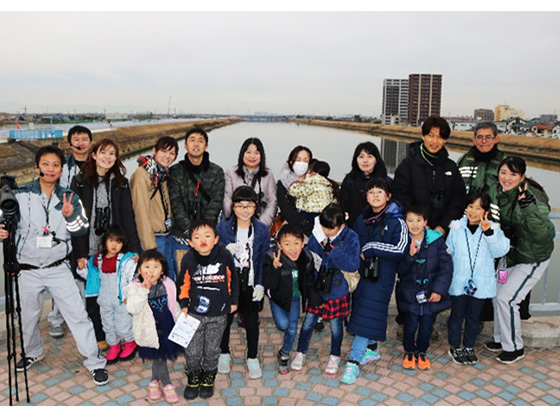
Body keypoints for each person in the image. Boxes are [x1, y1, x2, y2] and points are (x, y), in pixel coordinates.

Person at [0, 145, 108, 385]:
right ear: (36, 167)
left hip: (58, 268)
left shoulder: (70, 197)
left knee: (78, 315)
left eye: (55, 165)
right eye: (45, 164)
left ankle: (94, 362)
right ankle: (32, 352)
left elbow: (81, 229)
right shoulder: (19, 195)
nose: (50, 169)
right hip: (27, 269)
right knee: (26, 317)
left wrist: (70, 216)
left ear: (61, 169)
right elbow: (4, 223)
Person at [70, 138, 141, 350]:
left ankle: (122, 334)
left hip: (114, 248)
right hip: (90, 247)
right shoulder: (80, 181)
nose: (107, 157)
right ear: (93, 155)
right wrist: (80, 253)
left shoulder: (120, 183)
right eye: (103, 152)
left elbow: (128, 217)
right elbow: (74, 219)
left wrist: (134, 250)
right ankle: (100, 335)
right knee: (93, 293)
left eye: (112, 153)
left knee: (116, 294)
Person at [485, 157, 555, 364]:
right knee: (497, 294)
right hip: (509, 258)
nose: (507, 178)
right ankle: (500, 338)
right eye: (504, 172)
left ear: (522, 177)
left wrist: (529, 208)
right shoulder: (498, 192)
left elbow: (544, 234)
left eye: (513, 174)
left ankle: (514, 347)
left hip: (531, 258)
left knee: (507, 299)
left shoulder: (533, 196)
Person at [341, 177, 408, 384]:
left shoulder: (396, 220)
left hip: (382, 277)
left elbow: (400, 249)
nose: (375, 195)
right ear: (366, 196)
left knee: (364, 317)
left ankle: (353, 361)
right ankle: (372, 348)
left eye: (380, 191)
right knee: (364, 313)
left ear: (388, 196)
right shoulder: (362, 218)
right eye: (371, 192)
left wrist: (371, 248)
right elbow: (352, 243)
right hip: (362, 276)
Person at [291, 203, 360, 375]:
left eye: (331, 228)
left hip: (338, 288)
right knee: (308, 322)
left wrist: (332, 250)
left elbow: (353, 265)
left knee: (336, 326)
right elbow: (308, 258)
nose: (327, 231)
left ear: (341, 225)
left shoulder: (351, 237)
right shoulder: (317, 235)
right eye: (324, 227)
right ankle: (300, 352)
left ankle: (335, 355)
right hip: (318, 286)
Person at [177, 219, 239, 400]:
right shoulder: (188, 258)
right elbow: (183, 283)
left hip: (218, 314)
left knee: (212, 349)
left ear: (216, 239)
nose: (202, 240)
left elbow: (233, 279)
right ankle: (193, 378)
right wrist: (184, 304)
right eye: (197, 237)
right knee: (192, 351)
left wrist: (233, 301)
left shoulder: (224, 255)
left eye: (207, 236)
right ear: (190, 242)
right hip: (194, 314)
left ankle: (208, 378)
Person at [446, 192, 509, 365]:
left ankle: (469, 346)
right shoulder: (456, 227)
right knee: (457, 315)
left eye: (478, 208)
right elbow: (448, 252)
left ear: (486, 211)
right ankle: (454, 346)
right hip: (459, 280)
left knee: (474, 318)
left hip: (480, 283)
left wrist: (488, 232)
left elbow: (501, 251)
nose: (473, 211)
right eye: (470, 206)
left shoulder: (493, 229)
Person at [217, 186, 270, 379]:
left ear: (256, 207)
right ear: (233, 206)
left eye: (249, 206)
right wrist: (225, 250)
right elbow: (214, 253)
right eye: (240, 206)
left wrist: (261, 284)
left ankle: (252, 357)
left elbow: (264, 259)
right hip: (229, 283)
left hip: (250, 282)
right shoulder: (223, 227)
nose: (244, 210)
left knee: (251, 321)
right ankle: (224, 353)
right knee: (225, 320)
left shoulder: (261, 229)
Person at [49, 124, 94, 339]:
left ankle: (84, 316)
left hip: (88, 227)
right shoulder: (62, 166)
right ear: (70, 143)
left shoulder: (97, 164)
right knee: (60, 272)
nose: (80, 143)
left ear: (91, 142)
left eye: (84, 139)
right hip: (62, 226)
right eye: (76, 139)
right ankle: (56, 318)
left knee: (85, 271)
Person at [396, 202, 453, 370]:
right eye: (410, 220)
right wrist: (410, 256)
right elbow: (400, 269)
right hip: (409, 294)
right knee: (410, 325)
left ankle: (422, 352)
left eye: (419, 220)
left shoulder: (436, 240)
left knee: (427, 326)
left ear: (425, 222)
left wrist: (438, 290)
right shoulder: (402, 240)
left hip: (431, 293)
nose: (415, 225)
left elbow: (446, 268)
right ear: (405, 222)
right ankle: (409, 351)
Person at [391, 116, 466, 236]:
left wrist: (443, 226)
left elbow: (458, 200)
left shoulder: (451, 167)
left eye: (440, 137)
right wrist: (418, 223)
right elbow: (400, 196)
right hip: (413, 232)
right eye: (431, 135)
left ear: (445, 140)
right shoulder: (407, 165)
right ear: (423, 136)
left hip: (443, 234)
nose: (435, 141)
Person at [126, 249, 183, 404]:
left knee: (160, 356)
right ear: (139, 270)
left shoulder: (168, 284)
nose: (151, 271)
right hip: (149, 328)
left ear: (162, 270)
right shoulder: (134, 287)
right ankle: (168, 384)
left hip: (166, 325)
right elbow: (132, 308)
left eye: (156, 267)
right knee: (159, 358)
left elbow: (173, 305)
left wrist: (180, 321)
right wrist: (143, 290)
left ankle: (153, 382)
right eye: (147, 266)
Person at [169, 127, 225, 278]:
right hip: (181, 236)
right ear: (185, 145)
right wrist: (189, 230)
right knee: (183, 279)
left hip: (207, 237)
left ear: (206, 146)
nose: (196, 144)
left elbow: (216, 202)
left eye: (200, 141)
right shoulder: (175, 171)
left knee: (206, 279)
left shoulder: (216, 172)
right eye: (192, 140)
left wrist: (202, 232)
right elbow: (175, 202)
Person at [77, 226, 139, 364]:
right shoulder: (98, 259)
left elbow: (132, 278)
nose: (114, 245)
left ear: (123, 244)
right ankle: (114, 346)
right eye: (111, 240)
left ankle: (130, 343)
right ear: (105, 241)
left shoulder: (126, 260)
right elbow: (92, 278)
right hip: (104, 300)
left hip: (121, 300)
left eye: (118, 241)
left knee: (123, 324)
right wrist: (82, 269)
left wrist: (130, 294)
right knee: (108, 325)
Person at [262, 224, 316, 375]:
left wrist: (313, 299)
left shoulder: (307, 258)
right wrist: (275, 268)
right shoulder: (272, 257)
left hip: (294, 298)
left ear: (303, 243)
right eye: (287, 244)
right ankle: (285, 351)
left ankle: (284, 354)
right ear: (279, 245)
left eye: (296, 243)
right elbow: (268, 283)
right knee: (283, 324)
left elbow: (309, 280)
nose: (292, 248)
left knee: (292, 328)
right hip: (278, 298)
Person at [130, 136, 179, 280]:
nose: (167, 156)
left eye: (172, 153)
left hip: (166, 236)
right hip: (153, 238)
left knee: (168, 280)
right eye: (164, 151)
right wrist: (150, 248)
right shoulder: (142, 175)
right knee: (154, 282)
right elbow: (140, 212)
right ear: (154, 151)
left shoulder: (161, 173)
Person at [223, 137, 278, 229]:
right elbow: (226, 199)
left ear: (261, 156)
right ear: (242, 154)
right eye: (248, 152)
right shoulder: (231, 173)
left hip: (261, 225)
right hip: (235, 225)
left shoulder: (268, 174)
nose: (252, 156)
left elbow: (272, 202)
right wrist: (239, 221)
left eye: (256, 153)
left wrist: (260, 224)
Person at [339, 141, 391, 229]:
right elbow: (343, 205)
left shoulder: (386, 181)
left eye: (370, 157)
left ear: (376, 160)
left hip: (379, 229)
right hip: (352, 228)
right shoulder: (350, 180)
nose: (365, 161)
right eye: (361, 157)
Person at [276, 145, 314, 238]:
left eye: (305, 160)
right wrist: (303, 223)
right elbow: (286, 209)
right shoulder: (282, 183)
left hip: (312, 230)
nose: (302, 164)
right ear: (291, 162)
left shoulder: (315, 182)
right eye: (298, 160)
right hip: (290, 230)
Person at [288, 159, 338, 223]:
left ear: (313, 173)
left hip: (310, 213)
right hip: (324, 214)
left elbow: (294, 191)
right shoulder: (329, 184)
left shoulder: (312, 182)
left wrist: (297, 182)